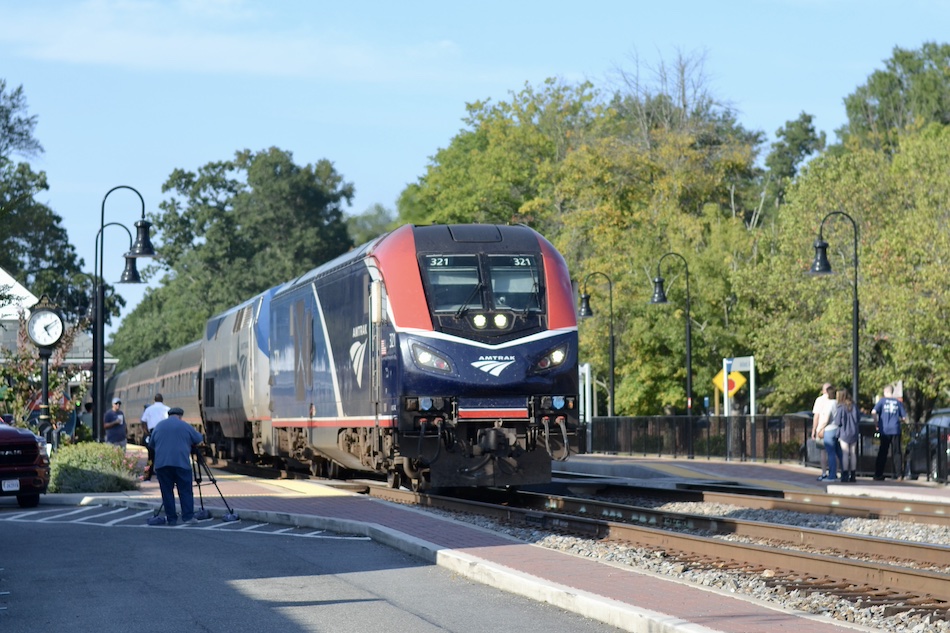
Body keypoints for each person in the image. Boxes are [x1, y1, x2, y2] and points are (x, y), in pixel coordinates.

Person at [146, 407, 203, 526]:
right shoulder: (185, 426)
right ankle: (187, 517)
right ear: (180, 416)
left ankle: (171, 519)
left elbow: (151, 444)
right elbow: (198, 439)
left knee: (167, 492)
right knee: (185, 491)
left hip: (162, 465)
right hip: (181, 464)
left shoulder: (159, 426)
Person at [872, 385, 907, 481]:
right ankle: (899, 475)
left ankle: (878, 474)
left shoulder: (882, 401)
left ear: (885, 392)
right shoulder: (898, 402)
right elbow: (904, 417)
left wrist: (876, 423)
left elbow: (873, 411)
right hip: (896, 429)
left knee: (883, 452)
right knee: (897, 452)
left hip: (885, 430)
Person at [140, 393, 170, 481]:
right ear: (162, 400)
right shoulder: (167, 409)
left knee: (151, 455)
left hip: (152, 432)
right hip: (163, 433)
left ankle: (147, 476)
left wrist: (147, 432)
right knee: (163, 455)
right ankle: (163, 475)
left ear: (154, 400)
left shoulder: (149, 409)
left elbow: (143, 421)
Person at [811, 383, 837, 481]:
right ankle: (834, 471)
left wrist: (815, 429)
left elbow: (816, 416)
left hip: (822, 429)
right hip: (835, 428)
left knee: (823, 452)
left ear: (823, 390)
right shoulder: (836, 400)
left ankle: (824, 472)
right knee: (834, 452)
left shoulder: (820, 400)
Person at [835, 388, 859, 483]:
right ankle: (853, 475)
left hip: (844, 432)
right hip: (854, 431)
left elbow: (837, 422)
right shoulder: (854, 406)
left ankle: (845, 474)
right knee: (853, 453)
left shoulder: (841, 407)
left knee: (845, 453)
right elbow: (858, 418)